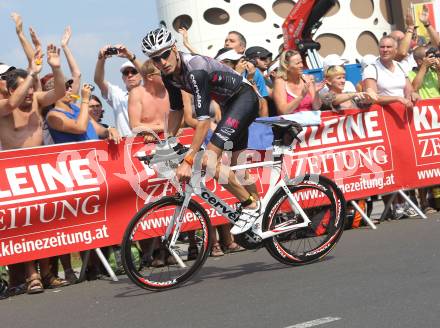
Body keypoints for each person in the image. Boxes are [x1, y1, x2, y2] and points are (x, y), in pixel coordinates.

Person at [142, 27, 261, 235]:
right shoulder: (168, 75)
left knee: (207, 159)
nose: (161, 62)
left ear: (174, 49)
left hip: (244, 99)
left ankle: (250, 206)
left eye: (164, 55)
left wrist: (188, 161)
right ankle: (259, 214)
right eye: (155, 59)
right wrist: (167, 143)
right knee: (236, 164)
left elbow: (203, 120)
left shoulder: (195, 69)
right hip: (229, 105)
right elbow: (176, 109)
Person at [1, 45, 68, 294]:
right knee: (24, 224)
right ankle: (31, 275)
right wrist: (33, 72)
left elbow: (59, 91)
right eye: (24, 88)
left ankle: (48, 273)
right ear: (10, 89)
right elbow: (12, 104)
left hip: (41, 167)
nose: (30, 93)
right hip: (14, 173)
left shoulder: (37, 99)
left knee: (47, 222)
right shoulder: (3, 108)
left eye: (32, 88)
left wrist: (56, 67)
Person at [409, 45, 440, 215]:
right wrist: (423, 68)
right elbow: (414, 88)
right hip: (422, 123)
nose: (433, 58)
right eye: (429, 56)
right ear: (420, 60)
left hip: (437, 120)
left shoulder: (436, 72)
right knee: (424, 164)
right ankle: (424, 202)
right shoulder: (413, 72)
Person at [94, 44, 143, 136]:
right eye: (126, 72)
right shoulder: (118, 95)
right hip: (126, 147)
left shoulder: (150, 94)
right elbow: (98, 80)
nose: (130, 75)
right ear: (123, 78)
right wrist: (101, 59)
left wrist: (129, 55)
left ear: (141, 75)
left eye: (134, 71)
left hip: (149, 144)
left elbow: (150, 74)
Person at [128, 60, 170, 137]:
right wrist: (167, 127)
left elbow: (182, 119)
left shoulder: (172, 91)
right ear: (150, 77)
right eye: (162, 72)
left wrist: (152, 131)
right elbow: (135, 126)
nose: (168, 75)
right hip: (145, 145)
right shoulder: (136, 93)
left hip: (172, 140)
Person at [273, 50, 323, 115]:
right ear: (286, 66)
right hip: (291, 123)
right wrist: (301, 96)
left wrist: (316, 93)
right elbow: (283, 111)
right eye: (297, 63)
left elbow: (316, 107)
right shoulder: (280, 82)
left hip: (309, 121)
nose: (301, 65)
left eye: (301, 62)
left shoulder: (307, 79)